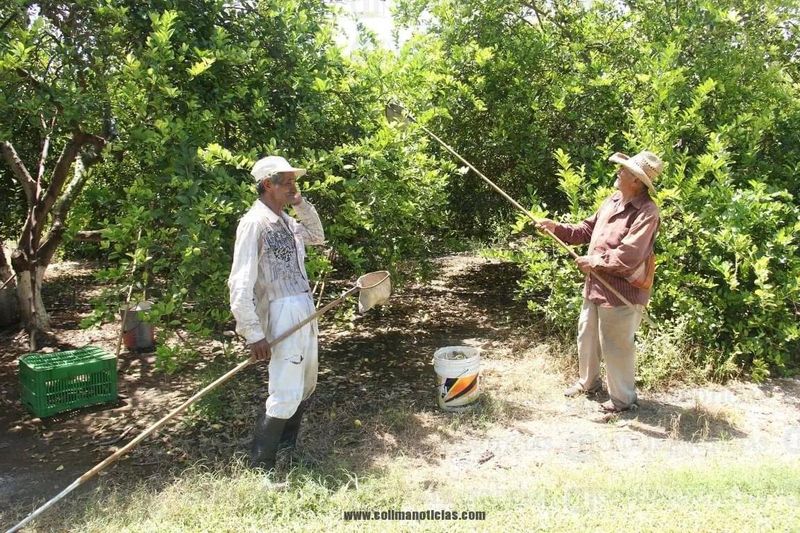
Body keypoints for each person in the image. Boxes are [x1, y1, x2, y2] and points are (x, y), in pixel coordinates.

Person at [537, 150, 663, 413]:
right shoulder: (613, 200)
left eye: (624, 170)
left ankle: (622, 400)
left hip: (622, 292)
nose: (618, 172)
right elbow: (585, 230)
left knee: (617, 346)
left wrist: (594, 261)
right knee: (587, 336)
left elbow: (630, 254)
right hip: (595, 287)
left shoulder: (647, 212)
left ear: (637, 181)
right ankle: (588, 384)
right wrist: (556, 228)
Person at [228, 155, 325, 468]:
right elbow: (240, 282)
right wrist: (253, 332)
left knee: (305, 382)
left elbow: (317, 236)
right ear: (268, 184)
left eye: (295, 182)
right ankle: (262, 464)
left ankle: (287, 451)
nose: (293, 188)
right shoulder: (253, 223)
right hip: (281, 311)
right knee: (285, 387)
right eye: (288, 182)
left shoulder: (286, 221)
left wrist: (300, 203)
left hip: (303, 307)